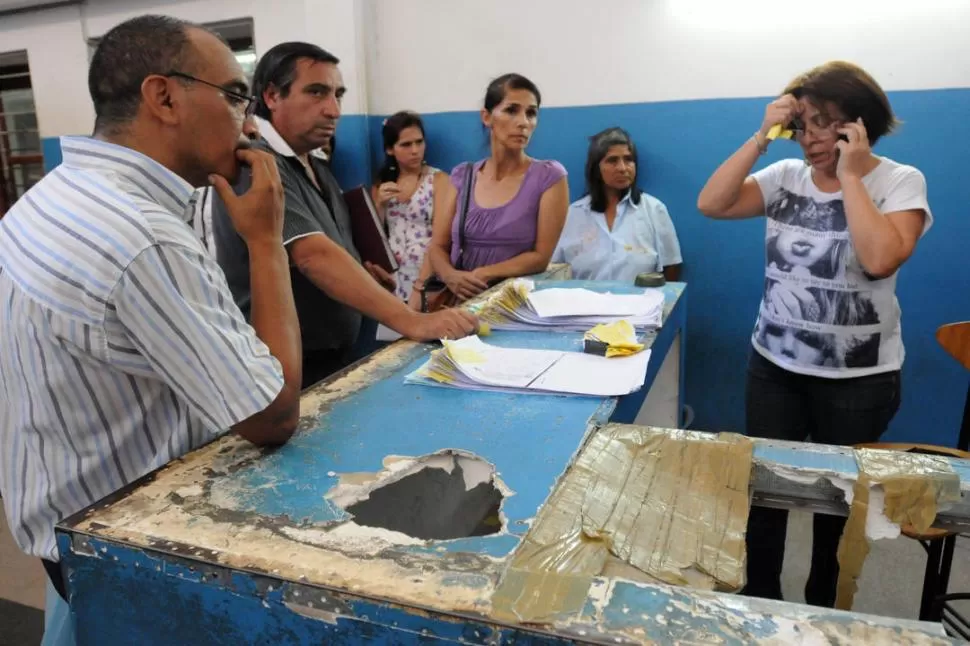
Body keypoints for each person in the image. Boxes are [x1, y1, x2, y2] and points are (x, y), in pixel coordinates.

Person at [0, 15, 304, 644]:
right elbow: (271, 416)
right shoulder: (140, 235)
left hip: (65, 526)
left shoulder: (52, 195)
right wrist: (266, 242)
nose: (248, 124)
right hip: (131, 557)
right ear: (163, 96)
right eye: (234, 97)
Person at [697, 61, 932, 607]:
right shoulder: (783, 177)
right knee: (765, 498)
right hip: (774, 368)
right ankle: (760, 604)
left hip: (858, 383)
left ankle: (824, 611)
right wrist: (761, 137)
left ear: (858, 123)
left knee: (838, 507)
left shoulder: (900, 181)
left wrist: (850, 176)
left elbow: (879, 259)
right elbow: (712, 204)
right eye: (801, 125)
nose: (809, 138)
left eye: (823, 123)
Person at [210, 43, 477, 389]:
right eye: (317, 92)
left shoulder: (318, 169)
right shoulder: (258, 165)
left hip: (339, 357)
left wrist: (364, 276)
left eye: (338, 95)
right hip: (290, 371)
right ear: (272, 96)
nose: (333, 110)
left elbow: (333, 249)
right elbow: (312, 256)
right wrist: (413, 320)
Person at [425, 74, 569, 303]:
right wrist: (451, 276)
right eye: (512, 110)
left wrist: (484, 273)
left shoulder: (549, 177)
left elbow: (540, 257)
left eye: (531, 113)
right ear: (487, 116)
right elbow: (437, 246)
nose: (523, 122)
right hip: (459, 304)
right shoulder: (463, 176)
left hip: (516, 307)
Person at [553, 127, 682, 281]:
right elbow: (555, 268)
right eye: (612, 160)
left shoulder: (653, 209)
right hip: (585, 303)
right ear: (596, 168)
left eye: (628, 159)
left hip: (640, 303)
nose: (622, 168)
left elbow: (671, 266)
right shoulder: (574, 214)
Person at [371, 111, 446, 309]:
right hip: (392, 277)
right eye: (406, 144)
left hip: (428, 275)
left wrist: (420, 286)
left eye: (419, 142)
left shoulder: (438, 180)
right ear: (390, 149)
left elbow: (442, 237)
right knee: (395, 338)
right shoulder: (382, 184)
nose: (415, 150)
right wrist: (378, 204)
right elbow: (374, 237)